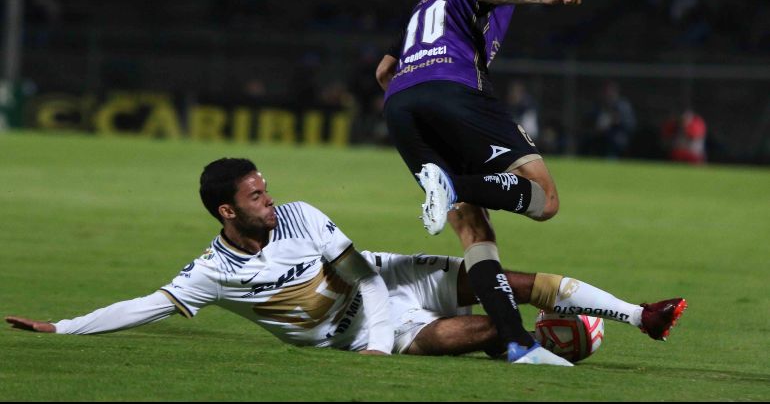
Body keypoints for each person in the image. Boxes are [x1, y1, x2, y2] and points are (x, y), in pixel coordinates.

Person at [6, 158, 686, 364]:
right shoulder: (214, 272)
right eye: (254, 196)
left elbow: (363, 274)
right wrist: (65, 327)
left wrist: (383, 342)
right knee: (493, 332)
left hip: (393, 285)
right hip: (361, 333)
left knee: (511, 283)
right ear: (225, 213)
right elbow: (147, 304)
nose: (268, 200)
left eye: (265, 188)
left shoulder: (301, 213)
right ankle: (554, 344)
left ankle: (638, 313)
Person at [375, 0, 586, 364]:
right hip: (453, 89)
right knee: (544, 198)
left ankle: (516, 343)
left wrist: (417, 105)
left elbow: (383, 70)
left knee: (473, 227)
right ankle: (451, 185)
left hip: (400, 103)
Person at [584, 81, 637, 159]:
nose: (608, 94)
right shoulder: (599, 105)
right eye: (606, 92)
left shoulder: (623, 106)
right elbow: (589, 120)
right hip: (600, 137)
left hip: (617, 137)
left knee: (615, 141)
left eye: (611, 91)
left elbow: (631, 125)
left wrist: (617, 121)